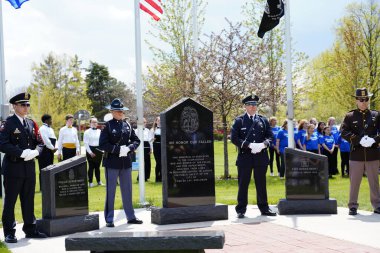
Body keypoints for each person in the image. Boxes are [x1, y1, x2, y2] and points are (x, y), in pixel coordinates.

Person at [0, 92, 47, 243]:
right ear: (14, 106)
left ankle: (30, 229)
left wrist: (35, 152)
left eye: (28, 104)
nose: (26, 107)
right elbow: (3, 144)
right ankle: (9, 232)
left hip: (28, 168)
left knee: (28, 200)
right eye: (23, 105)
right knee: (10, 201)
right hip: (13, 168)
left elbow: (40, 142)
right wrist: (21, 153)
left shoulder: (31, 123)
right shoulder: (8, 123)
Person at [230, 94, 276, 218]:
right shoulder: (239, 121)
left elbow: (271, 136)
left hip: (261, 156)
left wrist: (264, 144)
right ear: (245, 106)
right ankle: (241, 209)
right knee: (243, 184)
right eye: (250, 105)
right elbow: (234, 138)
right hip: (245, 157)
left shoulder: (263, 120)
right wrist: (248, 145)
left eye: (255, 105)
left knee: (261, 183)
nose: (253, 107)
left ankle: (264, 208)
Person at [99, 98, 143, 227]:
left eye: (121, 111)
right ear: (112, 111)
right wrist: (118, 150)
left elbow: (136, 140)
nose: (120, 113)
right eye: (117, 111)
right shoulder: (107, 126)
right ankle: (109, 219)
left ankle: (130, 216)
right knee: (111, 191)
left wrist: (130, 148)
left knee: (127, 190)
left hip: (125, 162)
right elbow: (103, 144)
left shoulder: (127, 125)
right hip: (112, 162)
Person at [340, 88, 380, 216]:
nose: (364, 102)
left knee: (374, 181)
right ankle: (352, 206)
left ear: (369, 100)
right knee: (355, 181)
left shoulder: (376, 115)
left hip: (373, 153)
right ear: (356, 100)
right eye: (361, 99)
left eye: (366, 99)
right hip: (356, 154)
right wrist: (358, 140)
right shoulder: (350, 116)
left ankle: (377, 205)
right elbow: (344, 132)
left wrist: (374, 140)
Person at [37, 114, 57, 190]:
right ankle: (43, 187)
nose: (51, 121)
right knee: (43, 168)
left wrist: (55, 148)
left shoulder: (51, 129)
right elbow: (45, 140)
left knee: (50, 167)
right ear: (46, 120)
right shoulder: (42, 128)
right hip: (44, 150)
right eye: (50, 119)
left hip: (50, 150)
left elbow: (54, 138)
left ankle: (49, 185)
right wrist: (52, 148)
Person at [83, 117, 104, 187]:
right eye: (93, 122)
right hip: (90, 149)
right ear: (90, 123)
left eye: (96, 122)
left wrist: (102, 150)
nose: (94, 123)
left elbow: (101, 142)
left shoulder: (100, 131)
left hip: (98, 150)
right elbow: (85, 143)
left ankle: (99, 181)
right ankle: (90, 182)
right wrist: (90, 152)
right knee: (91, 167)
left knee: (97, 167)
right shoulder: (87, 132)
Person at [151, 116, 162, 182]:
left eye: (161, 120)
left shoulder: (164, 129)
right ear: (156, 121)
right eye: (158, 120)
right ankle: (157, 178)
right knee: (158, 162)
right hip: (156, 147)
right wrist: (153, 139)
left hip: (162, 146)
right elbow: (149, 140)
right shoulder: (153, 130)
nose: (160, 122)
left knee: (163, 163)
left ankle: (162, 177)